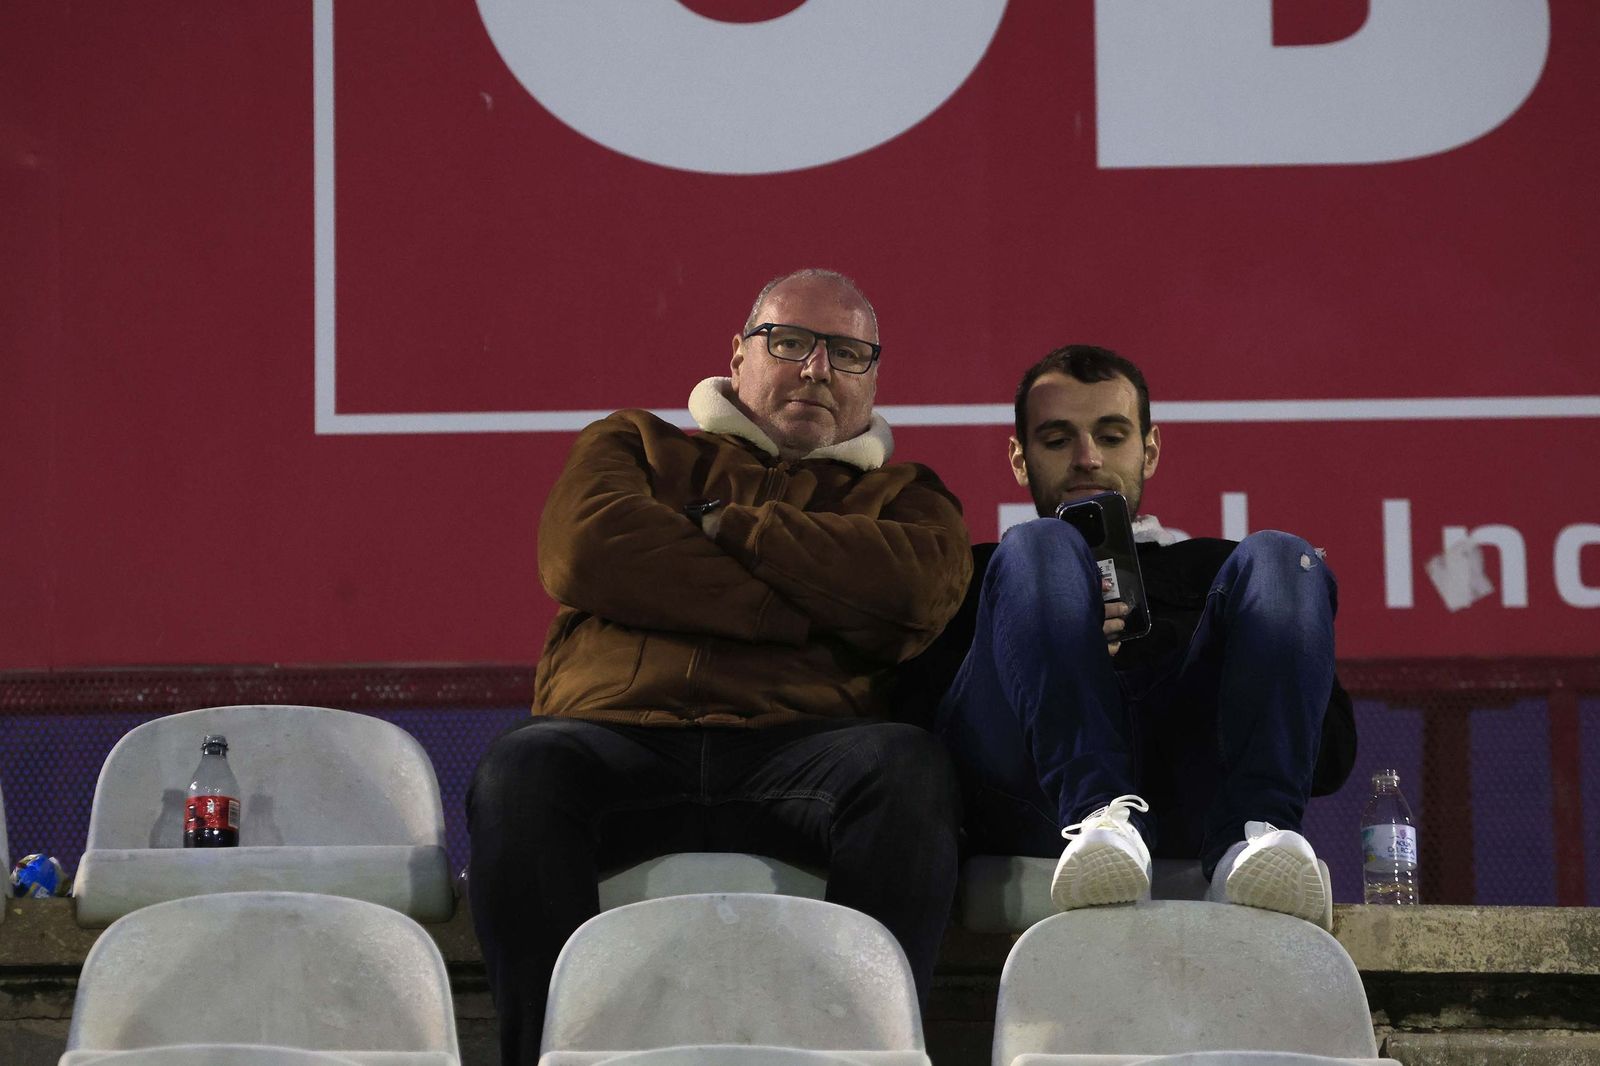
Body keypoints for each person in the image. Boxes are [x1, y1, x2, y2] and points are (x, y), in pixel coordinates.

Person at [467, 269, 973, 1064]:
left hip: (806, 750)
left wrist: (721, 528)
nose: (816, 369)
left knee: (907, 767)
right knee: (520, 769)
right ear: (738, 356)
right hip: (615, 737)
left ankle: (865, 1054)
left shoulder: (910, 497)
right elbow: (586, 550)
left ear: (871, 379)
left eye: (846, 353)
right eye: (792, 343)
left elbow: (915, 592)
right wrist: (812, 602)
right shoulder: (631, 443)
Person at [922, 344, 1355, 928]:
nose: (1087, 459)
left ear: (1149, 449)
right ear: (1019, 459)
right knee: (1038, 544)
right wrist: (1054, 650)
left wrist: (1179, 650)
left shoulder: (1223, 573)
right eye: (1056, 440)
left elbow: (1329, 755)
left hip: (1193, 786)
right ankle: (1098, 817)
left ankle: (1255, 836)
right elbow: (929, 740)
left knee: (1285, 557)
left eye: (1112, 435)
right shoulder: (977, 573)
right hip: (1031, 796)